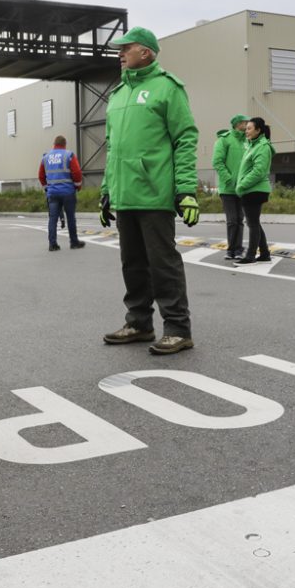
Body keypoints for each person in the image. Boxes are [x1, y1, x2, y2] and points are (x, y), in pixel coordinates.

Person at [99, 26, 200, 355]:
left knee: (162, 263)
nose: (120, 53)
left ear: (146, 52)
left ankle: (178, 328)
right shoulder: (117, 95)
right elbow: (112, 148)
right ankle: (139, 323)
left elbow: (185, 139)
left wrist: (185, 190)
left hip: (154, 192)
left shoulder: (167, 89)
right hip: (125, 194)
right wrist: (106, 191)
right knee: (132, 264)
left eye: (126, 48)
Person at [234, 117, 274, 266]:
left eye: (249, 128)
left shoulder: (262, 146)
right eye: (246, 128)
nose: (246, 131)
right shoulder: (252, 145)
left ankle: (250, 256)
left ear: (258, 130)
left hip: (254, 190)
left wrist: (242, 185)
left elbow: (259, 171)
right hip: (250, 189)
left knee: (253, 224)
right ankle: (264, 254)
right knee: (254, 222)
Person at [212, 114, 249, 260]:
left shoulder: (248, 141)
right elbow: (217, 162)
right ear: (236, 124)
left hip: (243, 187)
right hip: (228, 188)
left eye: (247, 122)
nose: (246, 124)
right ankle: (231, 249)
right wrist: (229, 179)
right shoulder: (224, 140)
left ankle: (238, 249)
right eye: (243, 122)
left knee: (240, 219)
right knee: (232, 220)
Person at [38, 134, 84, 251]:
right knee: (70, 218)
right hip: (68, 192)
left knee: (52, 219)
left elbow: (41, 175)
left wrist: (46, 187)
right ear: (64, 144)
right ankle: (74, 242)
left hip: (52, 193)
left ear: (54, 144)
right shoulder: (69, 155)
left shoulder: (46, 157)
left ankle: (52, 244)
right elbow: (77, 172)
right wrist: (78, 186)